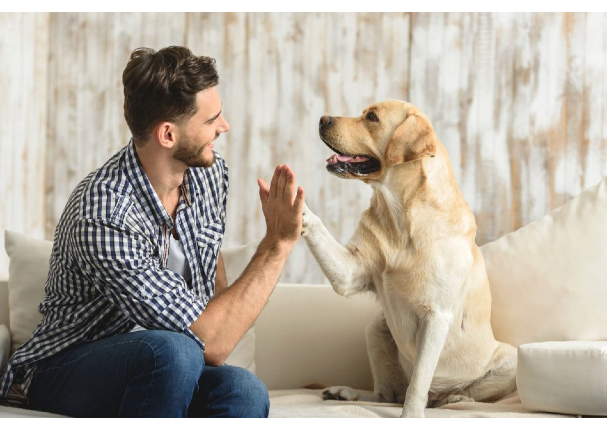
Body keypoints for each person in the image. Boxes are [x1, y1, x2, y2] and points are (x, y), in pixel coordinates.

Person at [0, 46, 305, 418]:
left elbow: (212, 273)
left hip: (171, 366)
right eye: (212, 120)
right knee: (173, 351)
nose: (223, 127)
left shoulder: (209, 174)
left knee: (244, 389)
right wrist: (278, 243)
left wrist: (216, 327)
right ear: (167, 134)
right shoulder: (103, 213)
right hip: (65, 368)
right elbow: (212, 342)